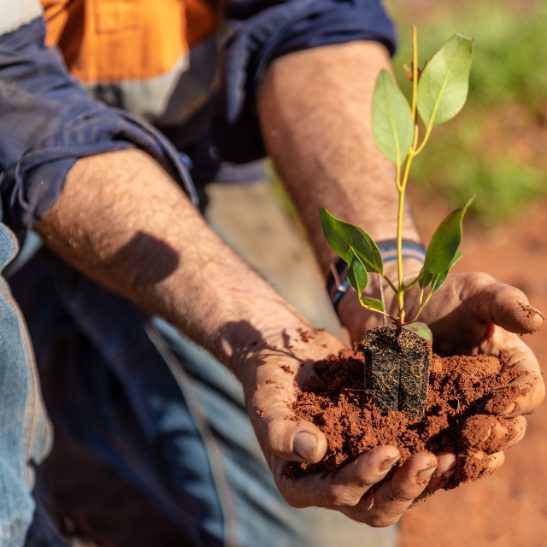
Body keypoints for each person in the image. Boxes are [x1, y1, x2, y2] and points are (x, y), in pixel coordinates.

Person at [0, 1, 544, 545]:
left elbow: (312, 15)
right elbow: (14, 92)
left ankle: (68, 373)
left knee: (331, 533)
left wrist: (386, 269)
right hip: (16, 138)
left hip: (185, 151)